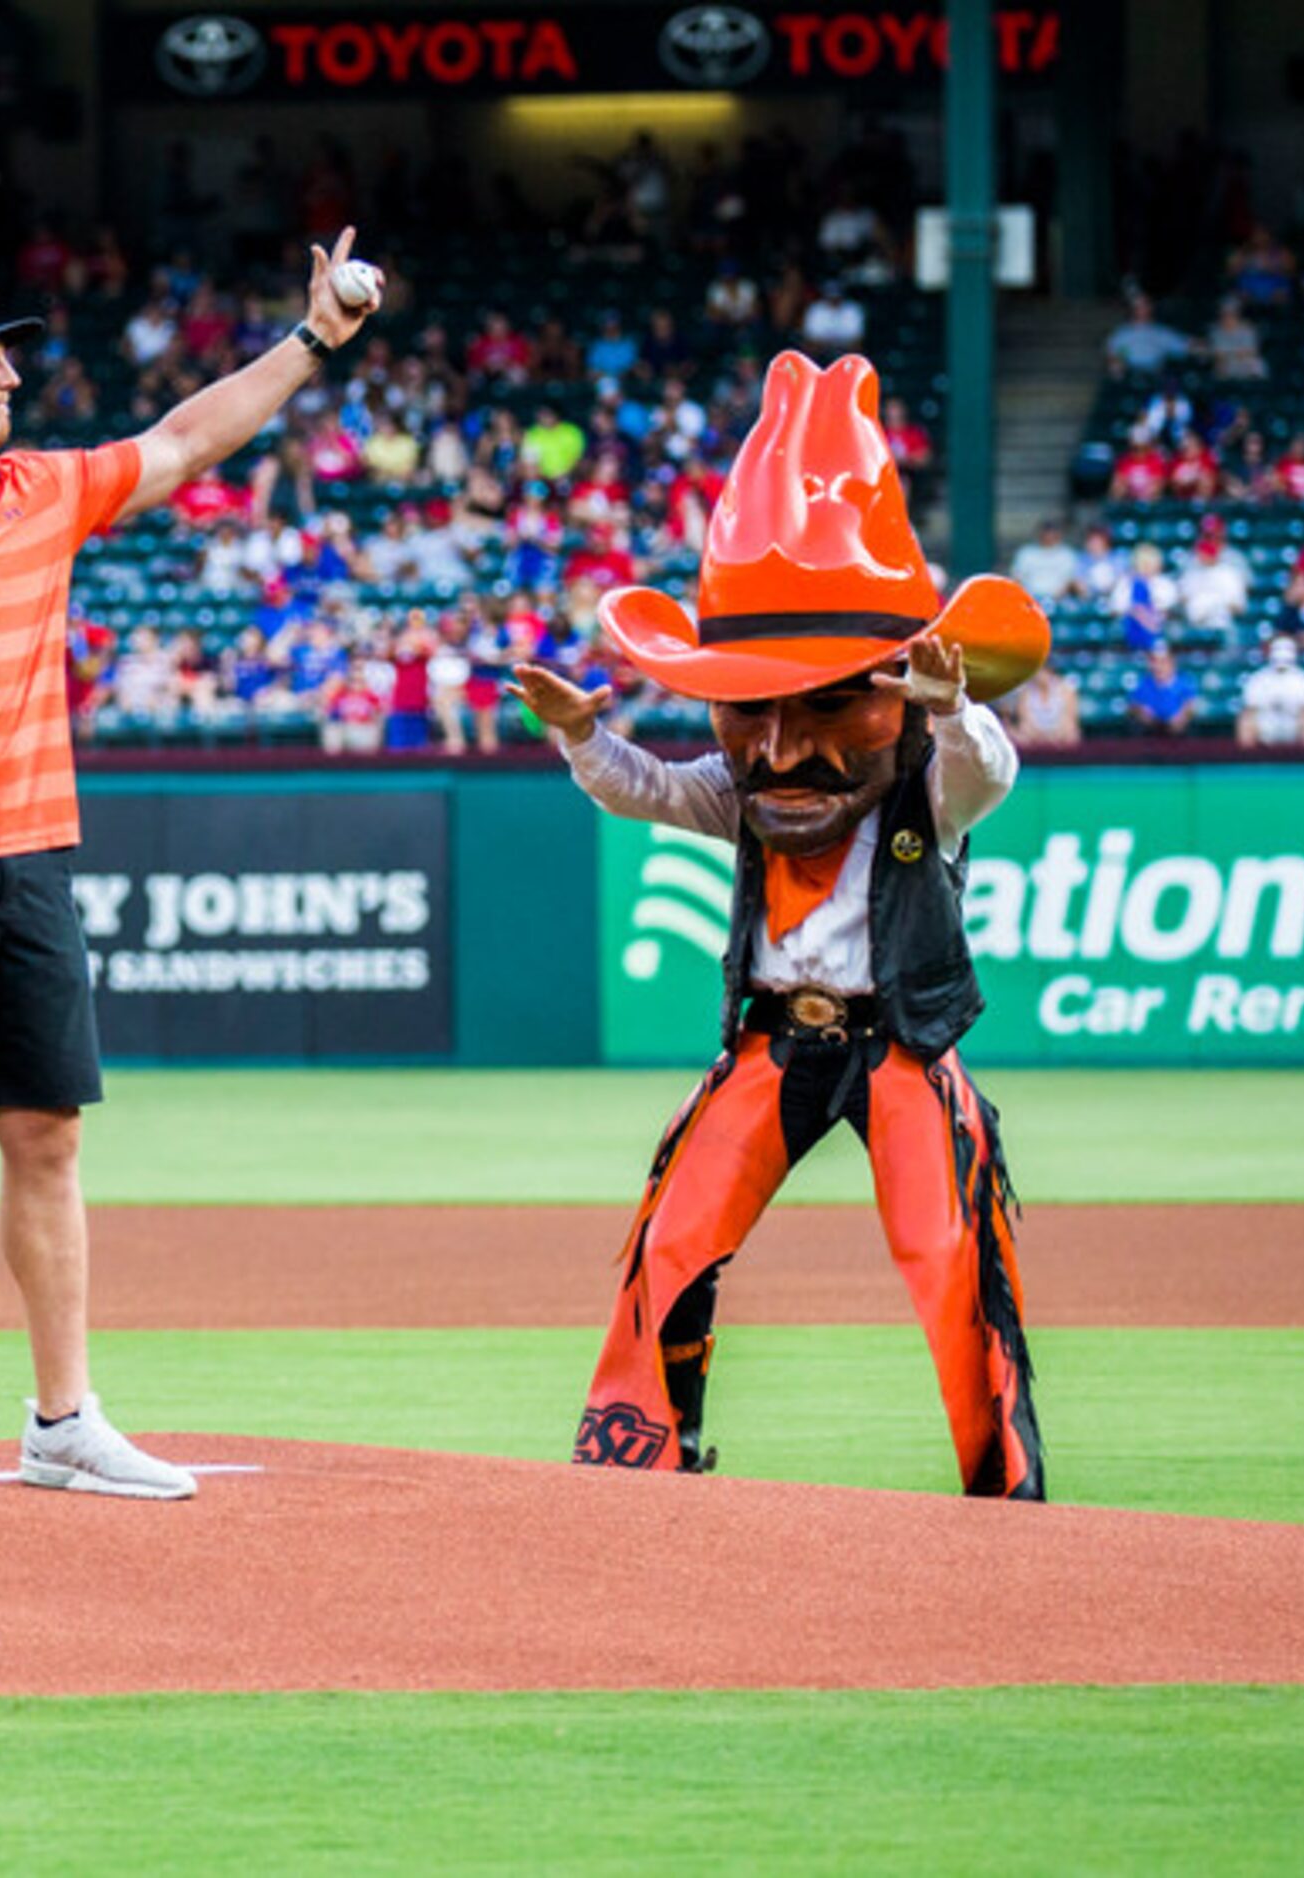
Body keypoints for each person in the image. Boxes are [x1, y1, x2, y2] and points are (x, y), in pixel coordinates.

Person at [0, 233, 381, 1498]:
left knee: (46, 1135)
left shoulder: (41, 487)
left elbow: (191, 440)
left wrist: (313, 340)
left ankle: (61, 1420)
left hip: (28, 854)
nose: (12, 379)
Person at [507, 350, 1049, 1501]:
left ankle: (1005, 1488)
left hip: (899, 1044)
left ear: (894, 687)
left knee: (951, 1255)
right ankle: (641, 1447)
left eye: (833, 698)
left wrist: (950, 709)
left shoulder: (928, 783)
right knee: (675, 1230)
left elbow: (986, 772)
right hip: (771, 1042)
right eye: (757, 705)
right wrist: (579, 737)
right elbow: (642, 788)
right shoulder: (740, 792)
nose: (789, 742)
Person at [1235, 637, 1304, 748]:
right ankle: (1247, 760)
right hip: (1266, 726)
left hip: (1293, 726)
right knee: (1246, 721)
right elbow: (1250, 710)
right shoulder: (1257, 679)